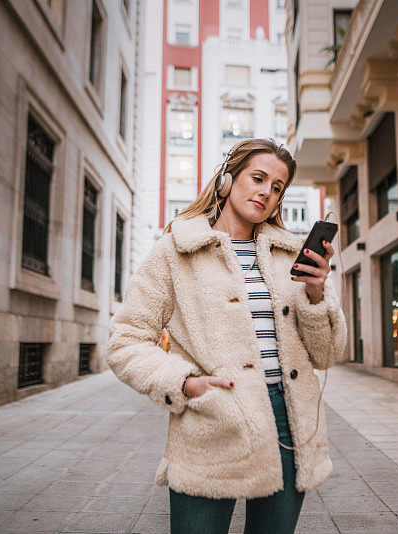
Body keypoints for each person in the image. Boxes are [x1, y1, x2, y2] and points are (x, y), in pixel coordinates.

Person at [105, 138, 347, 534]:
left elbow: (326, 354)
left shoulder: (292, 255)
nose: (267, 191)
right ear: (227, 179)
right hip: (214, 417)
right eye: (258, 178)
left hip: (290, 425)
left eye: (277, 187)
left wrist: (317, 295)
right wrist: (185, 383)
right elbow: (126, 339)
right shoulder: (177, 251)